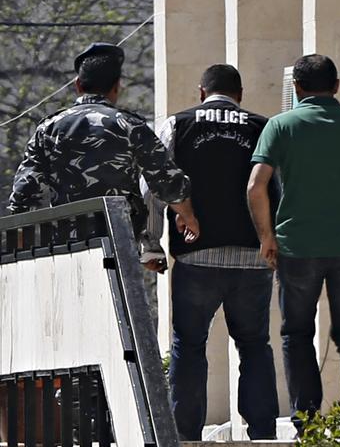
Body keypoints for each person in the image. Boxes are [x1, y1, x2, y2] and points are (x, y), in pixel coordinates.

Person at [141, 64, 280, 441]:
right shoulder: (262, 126)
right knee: (254, 344)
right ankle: (264, 432)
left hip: (195, 256)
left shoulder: (177, 125)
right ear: (240, 93)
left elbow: (153, 185)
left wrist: (151, 245)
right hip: (253, 258)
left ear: (201, 92)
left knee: (189, 344)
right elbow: (278, 187)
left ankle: (185, 434)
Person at [247, 54, 340, 434]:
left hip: (298, 245)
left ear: (296, 88)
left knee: (297, 331)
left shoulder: (281, 126)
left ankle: (307, 416)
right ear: (337, 86)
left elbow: (256, 185)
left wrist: (267, 236)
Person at [8, 42, 198, 242]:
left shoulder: (48, 129)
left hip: (66, 246)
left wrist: (21, 247)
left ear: (78, 85)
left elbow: (24, 193)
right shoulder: (130, 126)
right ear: (117, 87)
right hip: (119, 241)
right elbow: (167, 180)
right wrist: (188, 217)